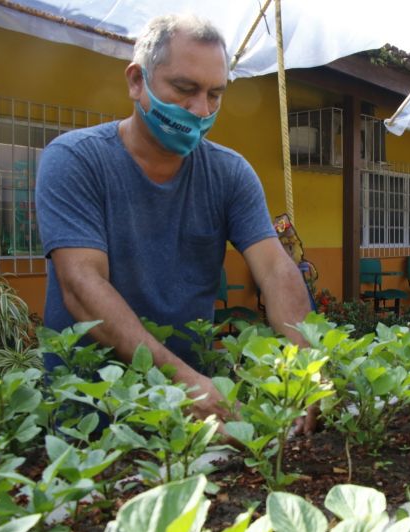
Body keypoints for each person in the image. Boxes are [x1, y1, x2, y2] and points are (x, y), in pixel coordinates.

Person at [36, 14, 312, 431]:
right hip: (90, 411)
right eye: (184, 89)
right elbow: (81, 285)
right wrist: (183, 383)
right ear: (136, 81)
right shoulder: (75, 161)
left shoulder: (230, 174)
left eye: (214, 94)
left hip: (192, 417)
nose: (200, 110)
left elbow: (275, 269)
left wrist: (307, 366)